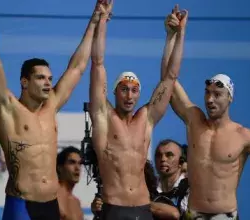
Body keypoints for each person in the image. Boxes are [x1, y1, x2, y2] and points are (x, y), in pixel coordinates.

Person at [0, 1, 105, 219]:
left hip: (50, 205)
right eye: (40, 78)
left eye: (50, 78)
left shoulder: (51, 107)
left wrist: (95, 19)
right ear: (24, 81)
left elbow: (77, 67)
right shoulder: (8, 108)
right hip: (20, 204)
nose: (48, 83)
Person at [89, 2, 188, 219]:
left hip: (142, 208)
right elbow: (97, 63)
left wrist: (177, 35)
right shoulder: (104, 116)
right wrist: (102, 21)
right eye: (124, 89)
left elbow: (170, 77)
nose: (129, 95)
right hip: (113, 208)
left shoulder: (146, 118)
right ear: (114, 92)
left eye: (134, 91)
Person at [167, 10, 250, 220]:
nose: (210, 100)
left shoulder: (244, 136)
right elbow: (168, 81)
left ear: (230, 98)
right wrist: (174, 35)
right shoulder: (194, 120)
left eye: (217, 94)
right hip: (193, 215)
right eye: (207, 93)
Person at [91, 160, 181, 219]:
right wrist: (99, 210)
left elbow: (174, 214)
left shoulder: (158, 199)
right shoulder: (116, 204)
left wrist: (136, 203)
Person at [154, 139, 189, 219]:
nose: (163, 159)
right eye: (158, 155)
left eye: (169, 155)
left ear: (181, 162)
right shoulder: (146, 187)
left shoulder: (190, 188)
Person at [57, 146, 83, 220]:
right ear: (60, 168)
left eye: (80, 163)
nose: (77, 168)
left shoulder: (76, 202)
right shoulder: (52, 196)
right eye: (72, 162)